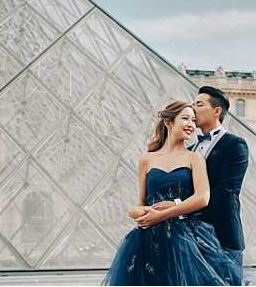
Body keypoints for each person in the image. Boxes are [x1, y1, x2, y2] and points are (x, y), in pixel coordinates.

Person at [101, 100, 243, 286]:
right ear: (168, 123)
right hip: (148, 237)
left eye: (193, 120)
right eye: (185, 118)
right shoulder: (146, 159)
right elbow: (141, 202)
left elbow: (202, 198)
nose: (191, 124)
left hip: (183, 236)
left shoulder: (195, 158)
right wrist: (134, 211)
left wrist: (162, 215)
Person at [149, 86, 250, 270]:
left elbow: (225, 193)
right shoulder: (190, 149)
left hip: (222, 235)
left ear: (216, 111)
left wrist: (178, 206)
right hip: (189, 238)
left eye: (199, 104)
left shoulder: (235, 145)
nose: (193, 109)